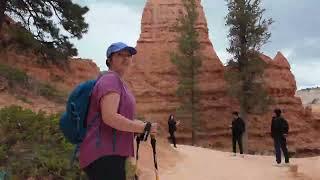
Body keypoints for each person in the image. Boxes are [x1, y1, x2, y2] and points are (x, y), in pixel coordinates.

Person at [79, 42, 158, 180]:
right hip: (103, 154)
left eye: (128, 55)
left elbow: (120, 117)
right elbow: (110, 117)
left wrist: (143, 126)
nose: (125, 58)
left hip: (110, 154)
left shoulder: (119, 83)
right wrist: (141, 127)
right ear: (109, 60)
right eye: (119, 54)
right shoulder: (110, 80)